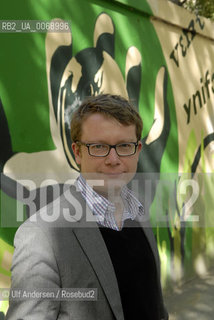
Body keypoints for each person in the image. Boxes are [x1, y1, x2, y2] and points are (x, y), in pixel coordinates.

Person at [6, 94, 168, 320]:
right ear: (78, 152)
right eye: (99, 147)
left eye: (124, 146)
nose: (113, 159)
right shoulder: (41, 235)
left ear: (138, 150)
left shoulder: (139, 211)